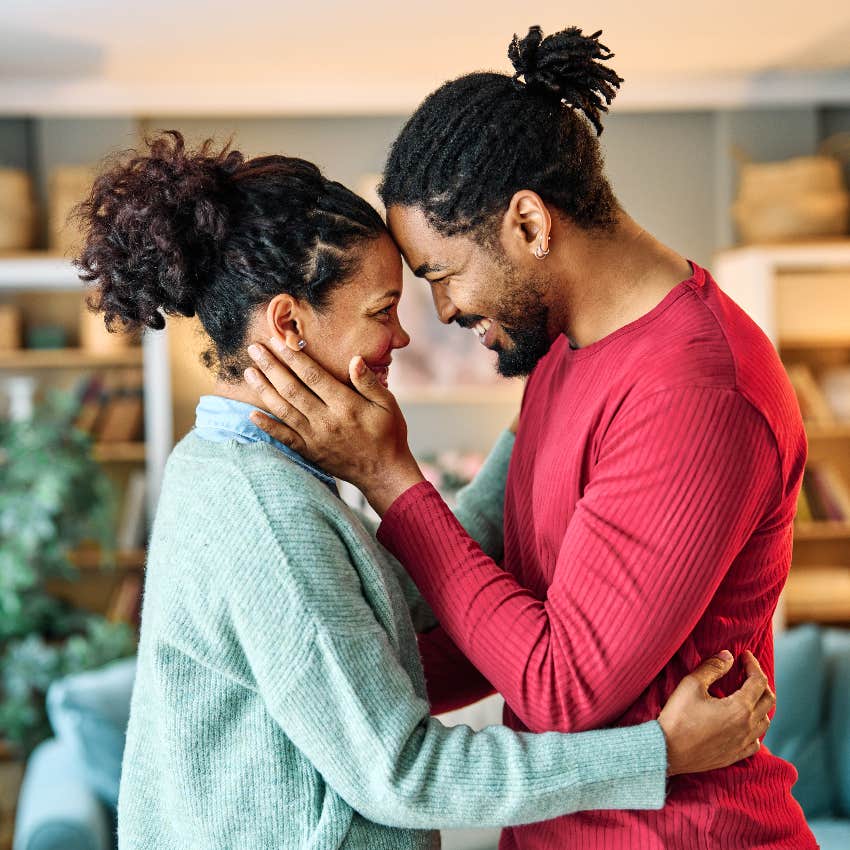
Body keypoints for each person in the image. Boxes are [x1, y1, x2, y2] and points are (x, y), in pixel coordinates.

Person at [73, 131, 772, 850]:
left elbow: (406, 601)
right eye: (382, 310)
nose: (404, 337)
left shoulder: (247, 469)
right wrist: (660, 754)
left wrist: (538, 417)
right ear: (289, 324)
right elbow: (403, 774)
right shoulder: (264, 509)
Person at [244, 25, 817, 850]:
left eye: (442, 274)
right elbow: (507, 625)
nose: (441, 312)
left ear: (527, 222)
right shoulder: (561, 356)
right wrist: (326, 689)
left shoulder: (698, 391)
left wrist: (392, 479)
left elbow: (560, 685)